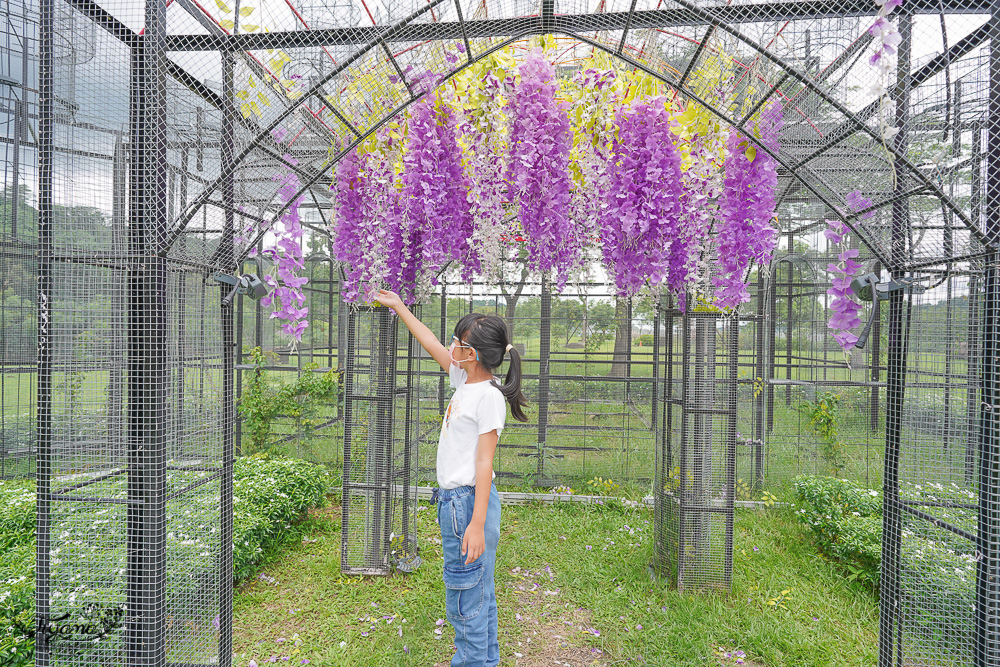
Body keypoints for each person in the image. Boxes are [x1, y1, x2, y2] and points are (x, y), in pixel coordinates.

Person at [374, 289, 529, 667]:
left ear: (471, 354)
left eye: (457, 342)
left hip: (467, 504)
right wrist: (399, 307)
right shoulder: (465, 380)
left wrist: (475, 525)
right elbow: (429, 341)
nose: (451, 346)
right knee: (479, 592)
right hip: (459, 503)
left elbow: (483, 464)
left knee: (466, 600)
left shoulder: (487, 397)